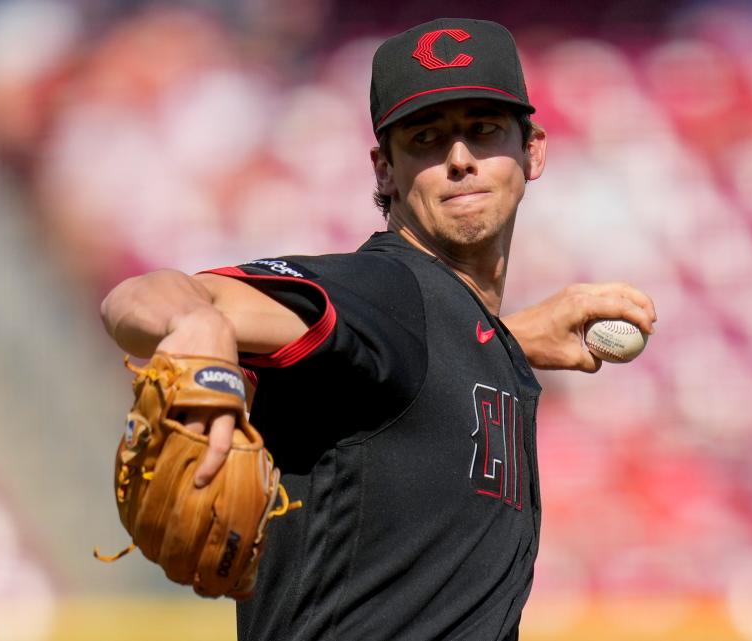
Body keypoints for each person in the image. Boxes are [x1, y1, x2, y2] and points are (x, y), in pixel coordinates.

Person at [100, 17, 657, 641]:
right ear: (384, 170)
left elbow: (420, 366)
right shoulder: (386, 293)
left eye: (483, 130)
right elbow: (143, 298)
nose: (459, 159)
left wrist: (507, 340)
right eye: (425, 138)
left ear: (533, 151)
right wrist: (198, 322)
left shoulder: (447, 332)